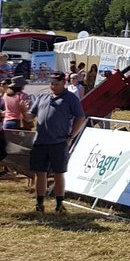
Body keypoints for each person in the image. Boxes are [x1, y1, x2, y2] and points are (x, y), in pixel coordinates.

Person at [28, 71, 87, 213]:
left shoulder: (71, 99)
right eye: (51, 84)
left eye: (56, 84)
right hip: (40, 142)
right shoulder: (43, 97)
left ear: (64, 83)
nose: (53, 86)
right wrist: (23, 112)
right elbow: (30, 117)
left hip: (59, 142)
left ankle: (59, 204)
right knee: (40, 173)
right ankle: (39, 203)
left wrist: (71, 137)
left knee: (58, 173)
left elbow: (80, 118)